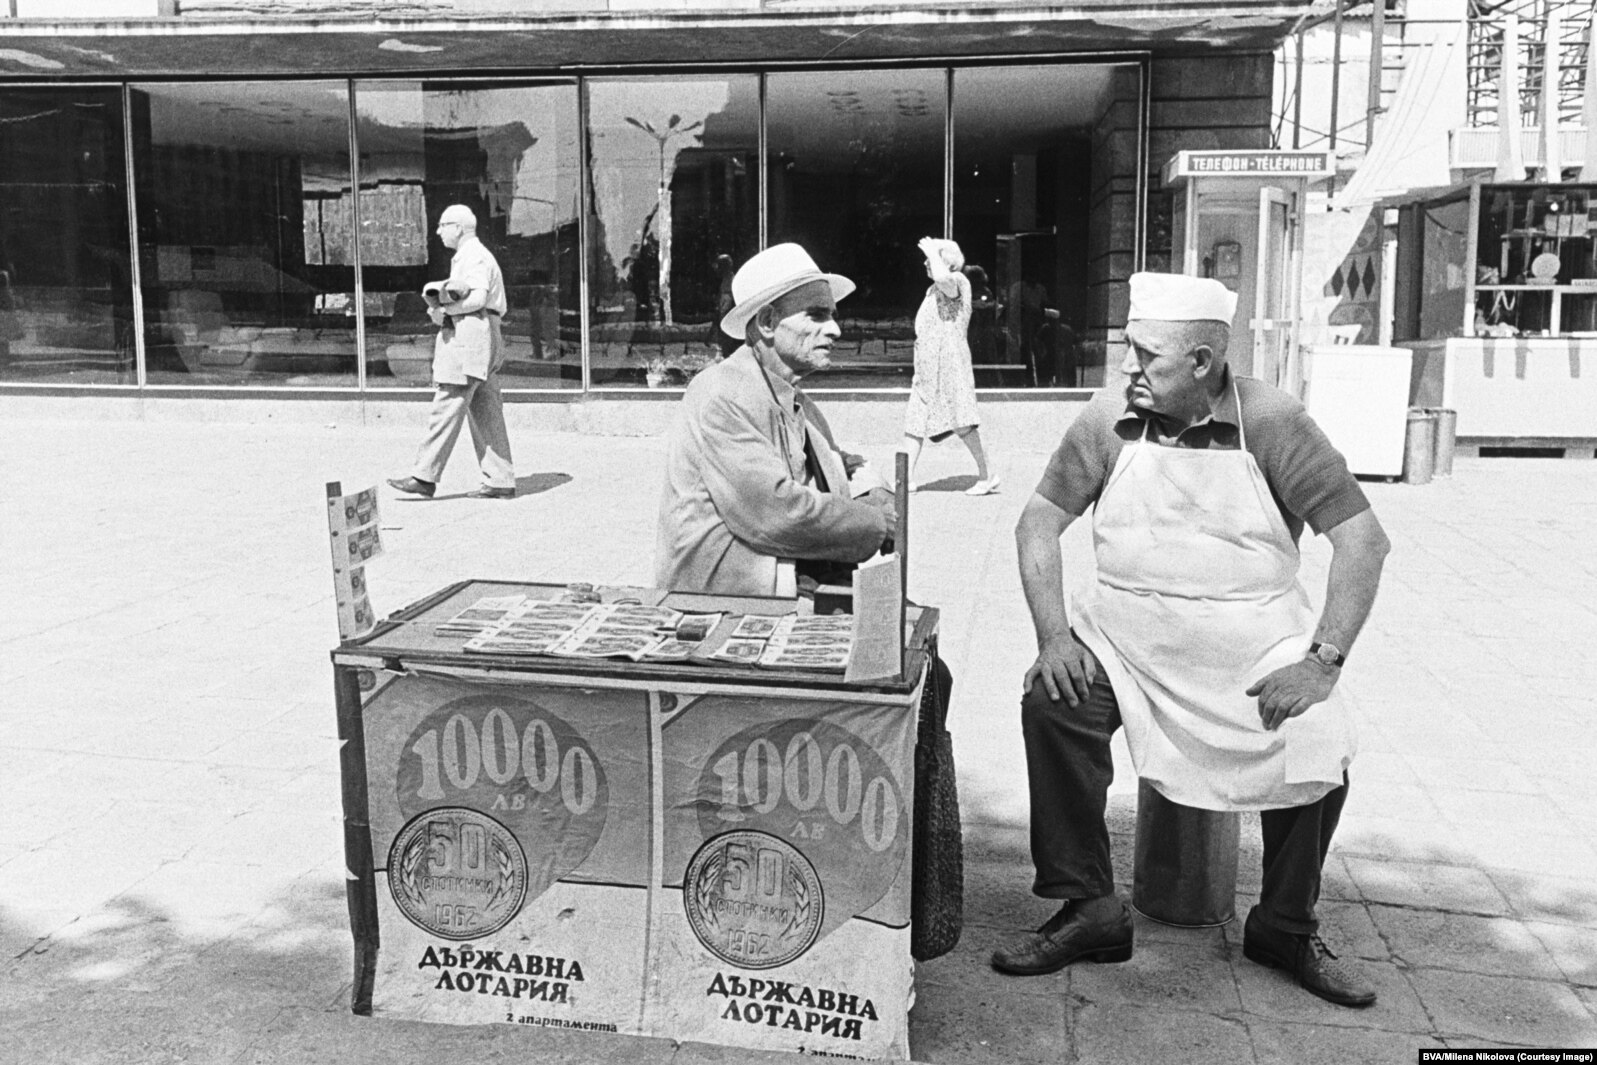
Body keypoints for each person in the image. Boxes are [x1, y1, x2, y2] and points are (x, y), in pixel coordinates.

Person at [994, 272, 1391, 1009]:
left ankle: (1283, 922)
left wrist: (1320, 661)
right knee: (1054, 702)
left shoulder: (1272, 419)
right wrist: (1054, 636)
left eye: (1147, 356)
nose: (1126, 370)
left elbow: (1362, 540)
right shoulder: (1107, 417)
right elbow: (1037, 522)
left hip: (1251, 635)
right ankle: (1088, 908)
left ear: (1205, 362)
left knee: (1319, 733)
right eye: (1127, 351)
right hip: (1126, 636)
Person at [654, 242, 896, 598]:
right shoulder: (723, 395)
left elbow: (838, 462)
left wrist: (874, 491)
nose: (835, 330)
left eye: (833, 316)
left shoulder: (793, 395)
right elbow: (777, 515)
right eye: (817, 315)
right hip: (725, 601)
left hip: (790, 580)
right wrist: (876, 523)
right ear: (767, 322)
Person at [388, 205, 516, 500]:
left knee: (449, 398)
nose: (438, 231)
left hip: (470, 330)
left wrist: (444, 311)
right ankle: (501, 479)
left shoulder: (472, 255)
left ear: (458, 228)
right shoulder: (476, 255)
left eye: (443, 225)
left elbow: (479, 297)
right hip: (486, 331)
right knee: (486, 406)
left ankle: (424, 475)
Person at [901, 238, 998, 496]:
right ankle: (906, 478)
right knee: (915, 421)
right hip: (927, 368)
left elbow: (946, 281)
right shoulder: (932, 290)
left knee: (962, 421)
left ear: (946, 262)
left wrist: (933, 250)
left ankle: (988, 475)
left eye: (931, 258)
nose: (925, 262)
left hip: (950, 365)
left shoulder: (958, 281)